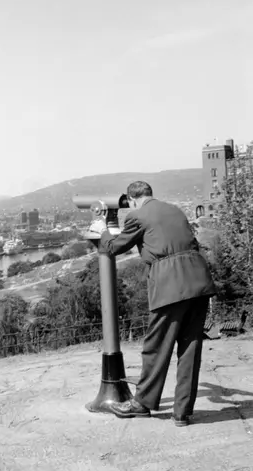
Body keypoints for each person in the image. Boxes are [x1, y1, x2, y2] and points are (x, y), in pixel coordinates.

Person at [92, 181, 216, 427]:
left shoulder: (138, 215)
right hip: (199, 282)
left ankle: (142, 403)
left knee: (156, 347)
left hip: (170, 284)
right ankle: (182, 413)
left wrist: (102, 229)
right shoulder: (175, 210)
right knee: (190, 349)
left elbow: (114, 248)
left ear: (132, 199)